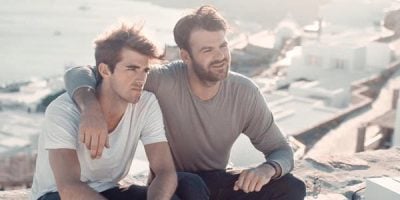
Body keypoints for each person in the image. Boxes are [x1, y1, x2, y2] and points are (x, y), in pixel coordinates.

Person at [64, 6, 306, 200]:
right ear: (185, 56)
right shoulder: (162, 81)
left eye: (223, 45)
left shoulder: (244, 92)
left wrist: (268, 169)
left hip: (219, 182)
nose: (220, 56)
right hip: (176, 186)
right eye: (208, 50)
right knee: (191, 183)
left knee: (292, 187)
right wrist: (90, 107)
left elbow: (282, 150)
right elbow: (81, 72)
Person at [31, 23, 207, 200]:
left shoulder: (146, 104)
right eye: (131, 69)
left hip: (109, 190)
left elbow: (164, 171)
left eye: (145, 70)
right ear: (105, 70)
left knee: (187, 186)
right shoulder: (63, 111)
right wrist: (91, 111)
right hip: (56, 195)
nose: (141, 79)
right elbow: (69, 188)